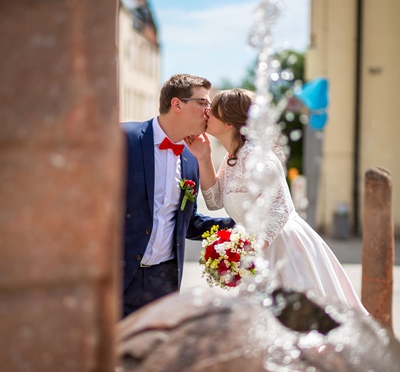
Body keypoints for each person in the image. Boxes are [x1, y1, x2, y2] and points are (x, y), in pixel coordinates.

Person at [186, 88, 367, 314]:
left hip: (283, 245)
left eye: (212, 110)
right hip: (260, 247)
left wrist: (248, 250)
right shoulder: (232, 156)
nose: (206, 113)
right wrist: (203, 156)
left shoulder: (255, 156)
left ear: (229, 123)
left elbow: (280, 210)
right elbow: (213, 202)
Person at [121, 74, 234, 317]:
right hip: (119, 279)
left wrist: (237, 227)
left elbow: (187, 222)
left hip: (164, 284)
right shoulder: (124, 139)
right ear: (177, 104)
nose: (209, 111)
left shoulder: (192, 157)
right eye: (203, 102)